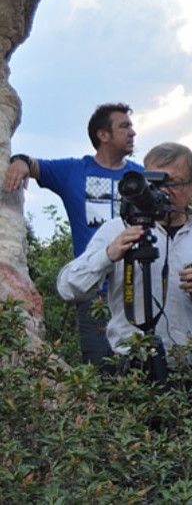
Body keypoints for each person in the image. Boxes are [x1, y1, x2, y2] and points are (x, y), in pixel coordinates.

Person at [56, 142, 192, 372]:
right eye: (154, 182)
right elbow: (67, 288)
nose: (162, 191)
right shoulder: (117, 230)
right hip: (130, 372)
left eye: (173, 183)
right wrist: (108, 255)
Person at [3, 103, 143, 369]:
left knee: (143, 370)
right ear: (103, 135)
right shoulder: (74, 172)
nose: (133, 132)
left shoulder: (139, 176)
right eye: (124, 126)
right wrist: (19, 162)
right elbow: (32, 164)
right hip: (93, 293)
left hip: (135, 291)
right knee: (104, 375)